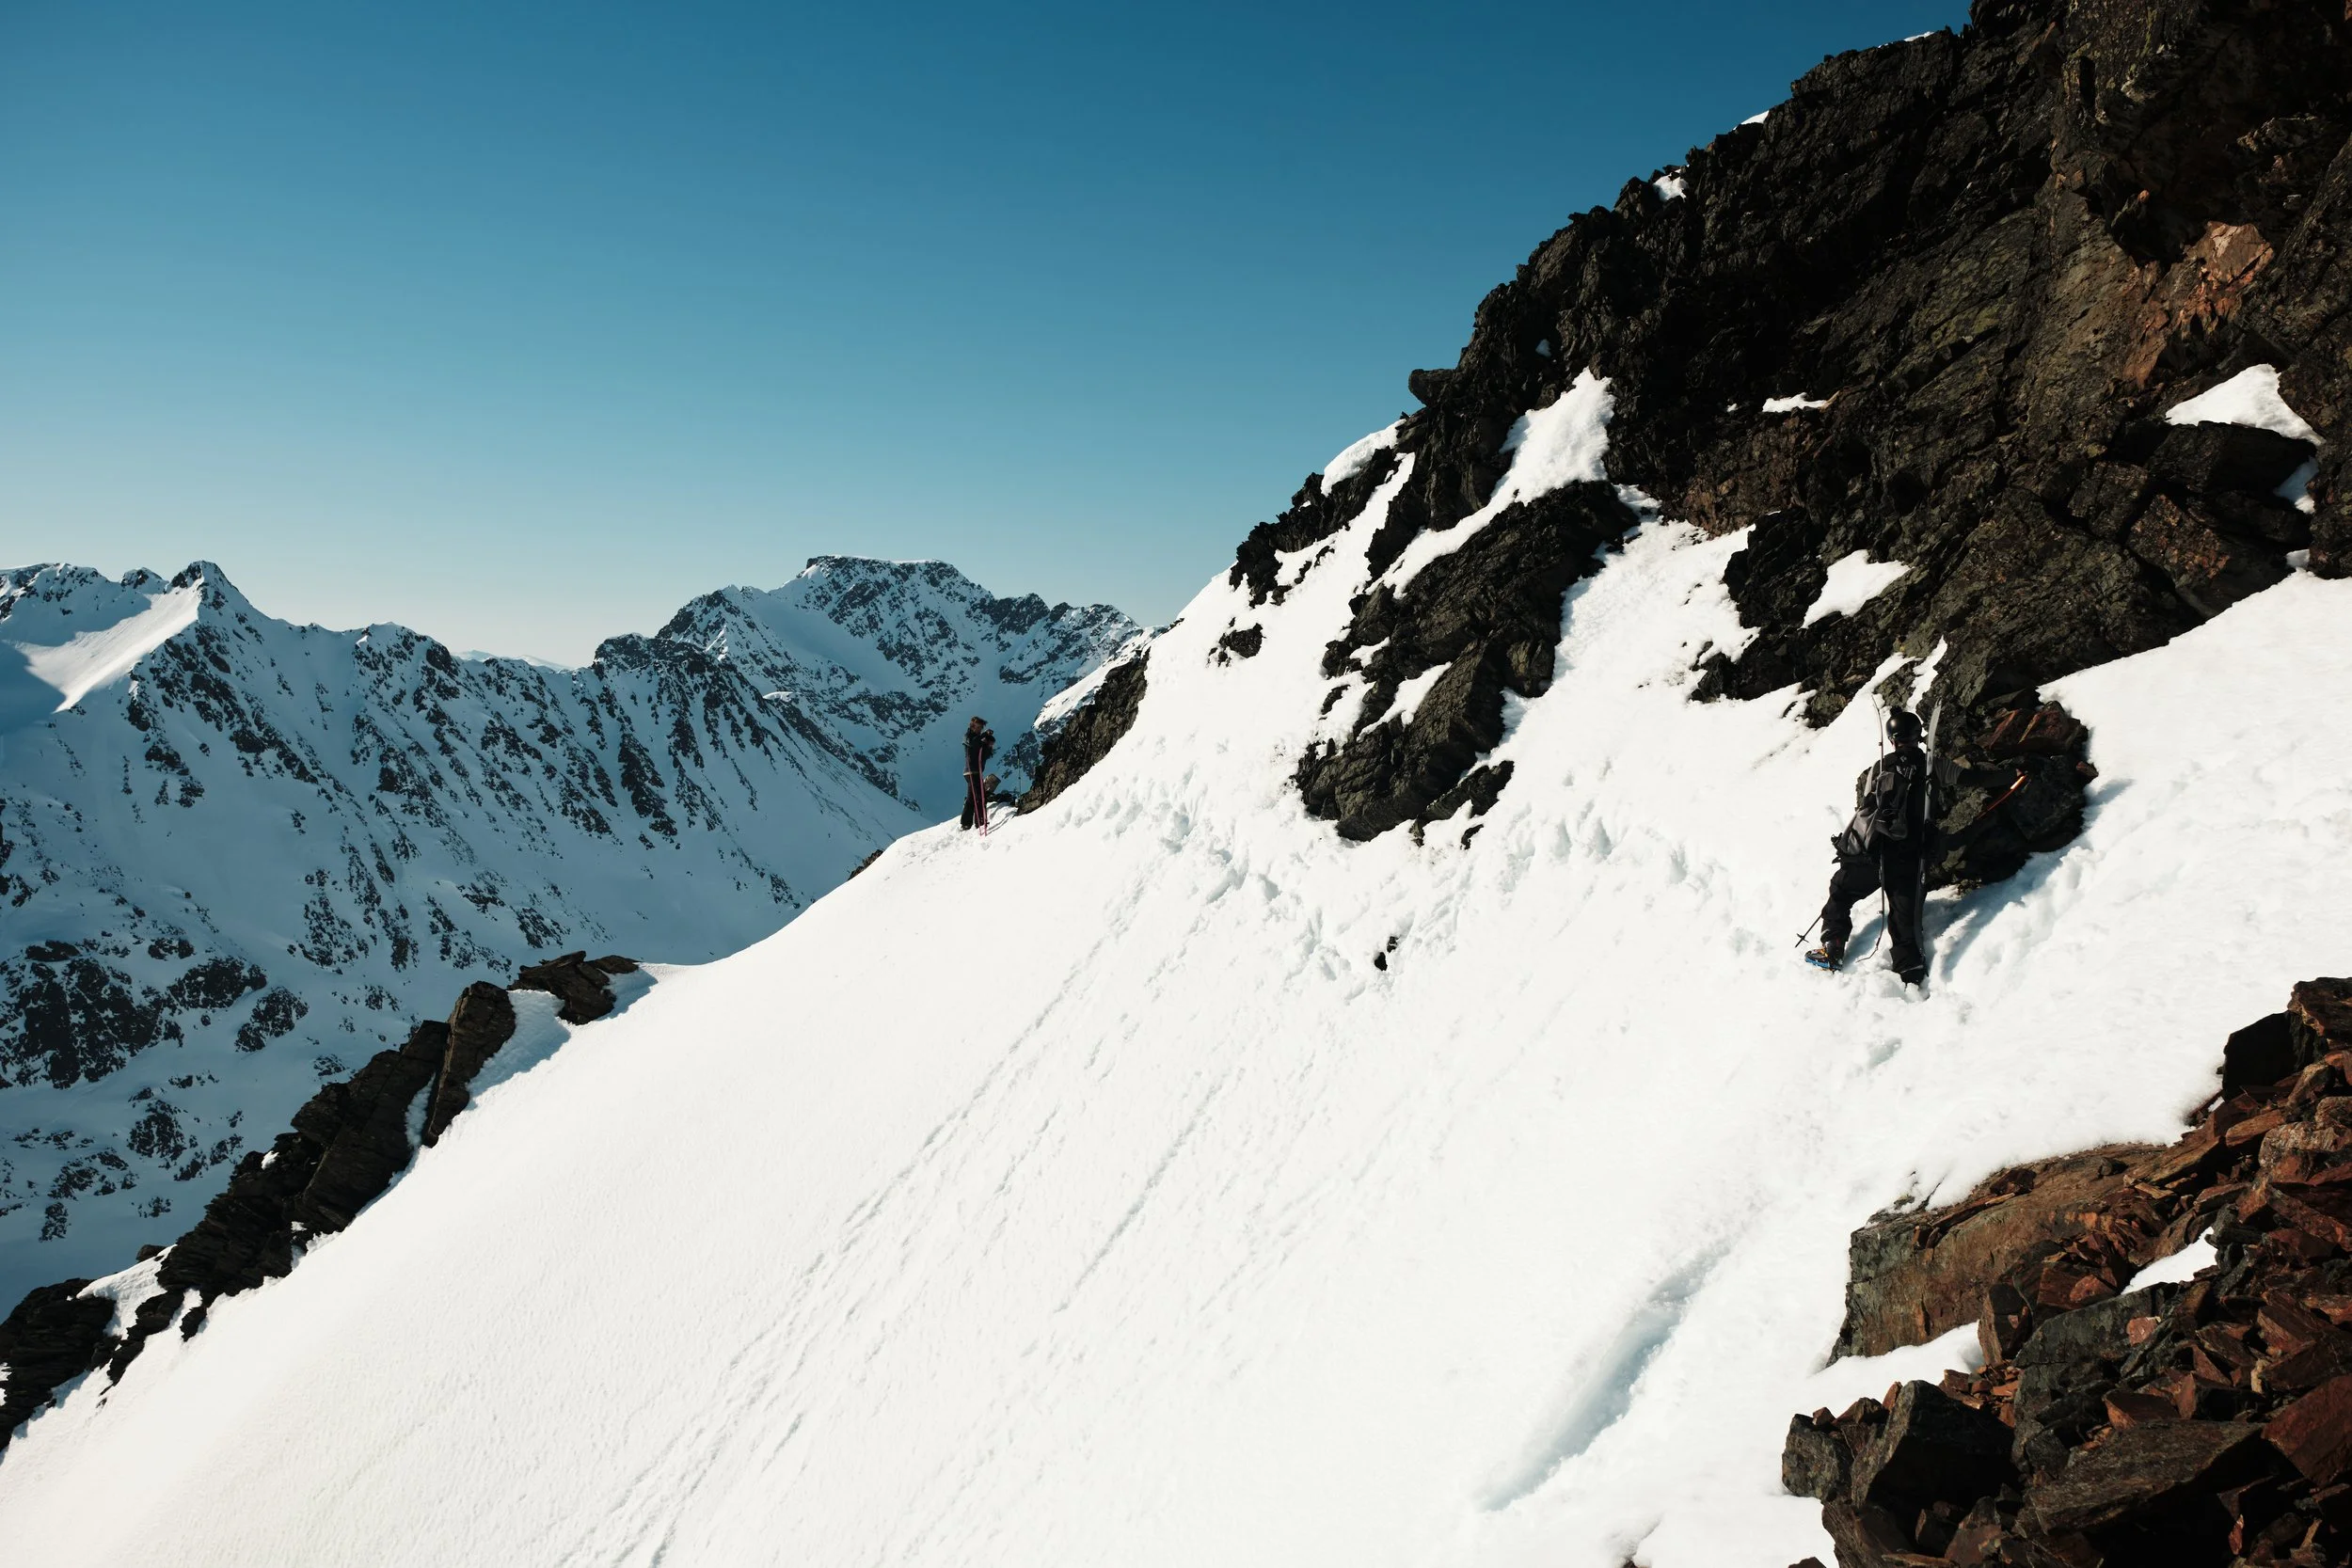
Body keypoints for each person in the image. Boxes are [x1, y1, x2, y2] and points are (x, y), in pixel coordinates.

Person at [1806, 708, 2023, 986]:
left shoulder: (1879, 768)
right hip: (1910, 858)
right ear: (1918, 735)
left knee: (1841, 891)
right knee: (1903, 922)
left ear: (1891, 739)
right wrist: (2012, 774)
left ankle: (1833, 947)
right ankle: (1910, 973)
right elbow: (1973, 780)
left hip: (1874, 854)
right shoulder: (1933, 766)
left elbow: (1866, 809)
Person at [960, 716, 996, 832]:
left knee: (972, 797)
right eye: (978, 727)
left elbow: (984, 755)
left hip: (974, 771)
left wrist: (988, 745)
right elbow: (972, 743)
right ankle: (980, 822)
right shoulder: (968, 736)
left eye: (981, 728)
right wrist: (984, 736)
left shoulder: (979, 739)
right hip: (972, 771)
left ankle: (966, 823)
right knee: (980, 796)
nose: (980, 729)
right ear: (972, 726)